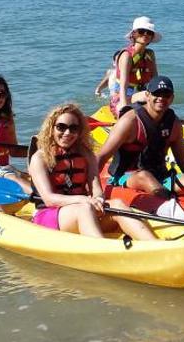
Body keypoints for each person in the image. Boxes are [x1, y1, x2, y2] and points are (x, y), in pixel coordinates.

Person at [27, 102, 157, 242]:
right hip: (49, 216)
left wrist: (98, 199)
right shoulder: (39, 158)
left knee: (117, 204)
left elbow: (97, 190)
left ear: (80, 131)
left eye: (73, 128)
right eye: (61, 127)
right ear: (51, 128)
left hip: (83, 210)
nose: (67, 133)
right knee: (84, 209)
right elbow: (49, 199)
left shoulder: (86, 155)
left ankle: (154, 245)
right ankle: (103, 250)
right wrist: (83, 200)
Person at [97, 76, 184, 204]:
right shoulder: (130, 121)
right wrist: (93, 189)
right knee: (144, 176)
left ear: (172, 98)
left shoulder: (173, 124)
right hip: (126, 177)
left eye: (166, 95)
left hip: (160, 176)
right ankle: (170, 205)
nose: (161, 98)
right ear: (147, 95)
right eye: (157, 93)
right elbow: (101, 157)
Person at [109, 16, 160, 114]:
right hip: (122, 97)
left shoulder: (150, 54)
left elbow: (155, 79)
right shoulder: (126, 55)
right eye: (141, 31)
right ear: (134, 34)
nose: (145, 34)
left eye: (149, 32)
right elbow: (123, 83)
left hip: (143, 96)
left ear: (152, 37)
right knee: (146, 96)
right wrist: (123, 105)